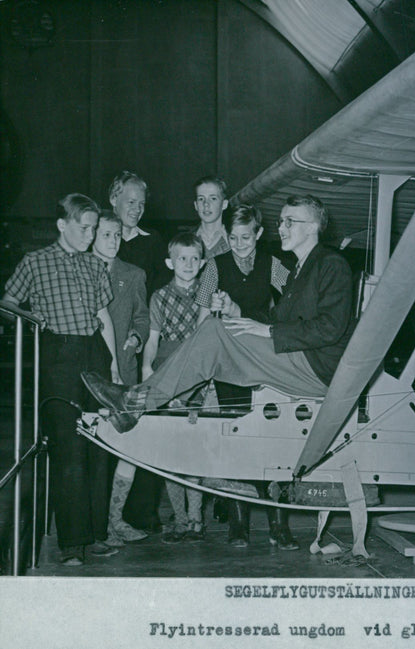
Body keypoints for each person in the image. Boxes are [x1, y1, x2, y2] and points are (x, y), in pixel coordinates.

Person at [82, 194, 355, 550]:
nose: (282, 227)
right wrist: (241, 316)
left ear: (314, 227)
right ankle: (139, 402)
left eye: (291, 221)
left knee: (213, 332)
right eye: (282, 221)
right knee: (217, 331)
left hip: (317, 368)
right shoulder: (300, 268)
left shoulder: (330, 264)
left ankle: (136, 402)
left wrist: (266, 331)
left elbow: (331, 328)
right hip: (298, 357)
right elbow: (278, 322)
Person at [3, 194, 120, 566]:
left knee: (100, 448)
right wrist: (34, 321)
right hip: (58, 357)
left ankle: (97, 535)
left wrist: (114, 366)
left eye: (93, 228)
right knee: (69, 449)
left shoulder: (94, 266)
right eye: (83, 228)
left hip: (95, 354)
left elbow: (104, 314)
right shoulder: (34, 262)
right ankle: (72, 544)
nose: (90, 235)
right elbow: (6, 303)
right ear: (62, 225)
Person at [195, 204, 291, 547]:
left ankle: (279, 525)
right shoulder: (214, 267)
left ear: (259, 234)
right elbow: (203, 318)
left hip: (264, 361)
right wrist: (203, 364)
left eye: (246, 238)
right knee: (235, 438)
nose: (239, 244)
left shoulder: (273, 265)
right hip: (229, 364)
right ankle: (239, 525)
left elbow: (294, 301)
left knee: (270, 440)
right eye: (233, 238)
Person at [108, 170, 168, 533]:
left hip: (138, 345)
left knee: (146, 429)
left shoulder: (154, 242)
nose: (137, 209)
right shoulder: (99, 238)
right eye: (130, 202)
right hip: (105, 342)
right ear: (113, 199)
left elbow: (156, 298)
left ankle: (141, 511)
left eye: (142, 204)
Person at [142, 232, 208, 543]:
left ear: (203, 262)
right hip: (167, 376)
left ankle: (196, 519)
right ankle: (179, 520)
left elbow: (207, 342)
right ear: (170, 262)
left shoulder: (207, 296)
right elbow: (152, 340)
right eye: (182, 258)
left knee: (194, 452)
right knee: (170, 453)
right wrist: (147, 370)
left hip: (195, 377)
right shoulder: (159, 297)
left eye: (195, 258)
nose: (189, 264)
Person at [91, 211, 150, 545]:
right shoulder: (79, 270)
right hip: (91, 368)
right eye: (106, 234)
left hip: (124, 370)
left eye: (117, 235)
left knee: (128, 447)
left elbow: (142, 316)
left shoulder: (134, 274)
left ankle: (116, 519)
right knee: (96, 450)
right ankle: (97, 524)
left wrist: (138, 338)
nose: (113, 241)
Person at [193, 175, 231, 259]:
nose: (206, 204)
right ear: (196, 205)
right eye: (201, 199)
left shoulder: (235, 242)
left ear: (224, 204)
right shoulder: (186, 241)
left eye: (213, 198)